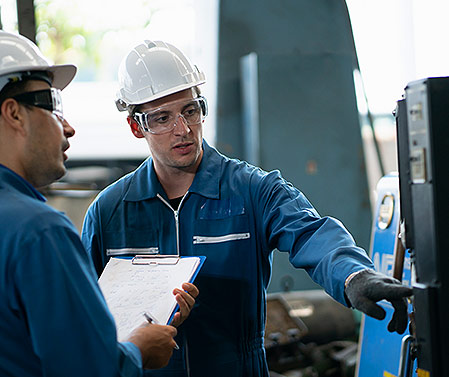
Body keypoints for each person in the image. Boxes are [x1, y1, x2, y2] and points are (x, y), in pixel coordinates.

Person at [82, 40, 413, 377]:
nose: (182, 130)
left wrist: (354, 275)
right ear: (137, 127)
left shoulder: (251, 190)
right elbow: (79, 311)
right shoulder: (109, 212)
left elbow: (311, 233)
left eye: (191, 110)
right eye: (162, 118)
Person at [0, 31, 199, 377]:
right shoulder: (40, 231)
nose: (69, 128)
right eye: (54, 104)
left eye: (191, 111)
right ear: (13, 113)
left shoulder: (255, 188)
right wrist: (138, 350)